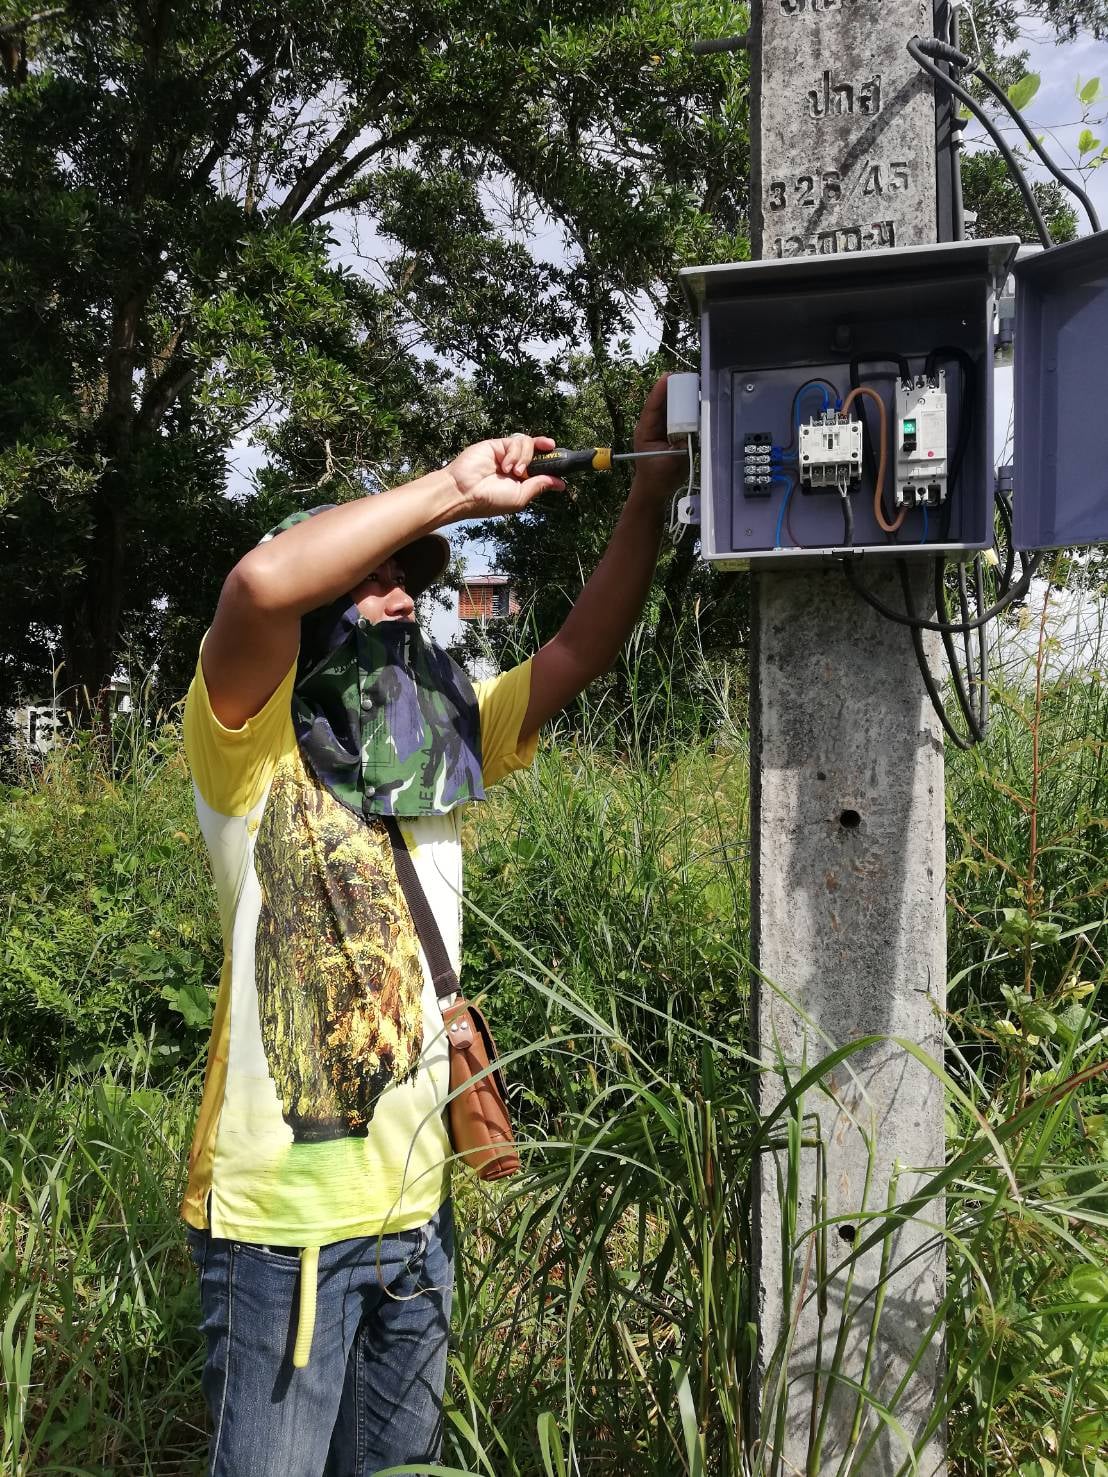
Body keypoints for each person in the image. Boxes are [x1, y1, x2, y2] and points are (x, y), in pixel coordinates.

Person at [181, 375, 686, 1476]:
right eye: (367, 584)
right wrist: (451, 491)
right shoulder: (246, 743)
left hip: (416, 1218)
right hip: (280, 1234)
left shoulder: (432, 749)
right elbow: (262, 582)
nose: (403, 598)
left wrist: (648, 498)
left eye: (407, 584)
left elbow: (574, 655)